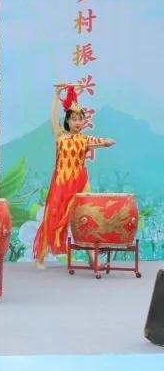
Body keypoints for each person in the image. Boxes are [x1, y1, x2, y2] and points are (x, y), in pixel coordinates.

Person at [33, 84, 115, 269]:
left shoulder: (85, 140)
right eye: (74, 119)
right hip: (61, 184)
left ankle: (93, 259)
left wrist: (107, 142)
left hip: (80, 184)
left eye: (80, 119)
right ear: (67, 121)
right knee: (52, 218)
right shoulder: (60, 137)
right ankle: (40, 257)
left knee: (85, 218)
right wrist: (56, 95)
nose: (78, 122)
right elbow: (53, 116)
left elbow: (100, 141)